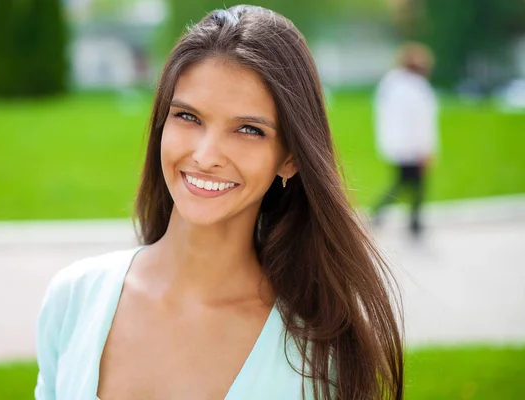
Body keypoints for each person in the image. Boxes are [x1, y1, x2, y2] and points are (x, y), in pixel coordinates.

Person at [35, 6, 403, 400]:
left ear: (290, 158)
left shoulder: (322, 355)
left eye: (248, 129)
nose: (206, 155)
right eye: (188, 117)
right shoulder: (74, 299)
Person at [371, 42, 438, 238]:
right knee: (412, 183)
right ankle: (412, 222)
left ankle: (408, 220)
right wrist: (426, 149)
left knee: (406, 182)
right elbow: (422, 123)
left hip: (395, 145)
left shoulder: (391, 85)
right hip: (413, 146)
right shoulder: (417, 88)